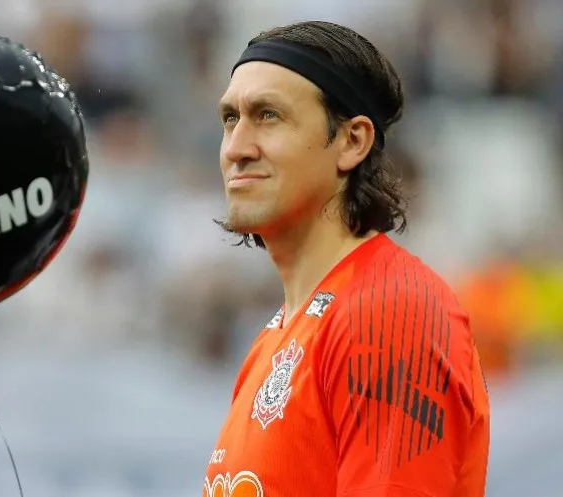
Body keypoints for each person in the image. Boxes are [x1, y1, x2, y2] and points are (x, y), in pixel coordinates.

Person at [203, 21, 490, 497]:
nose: (236, 149)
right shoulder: (277, 336)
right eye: (230, 119)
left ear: (352, 141)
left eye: (268, 115)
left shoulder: (392, 313)